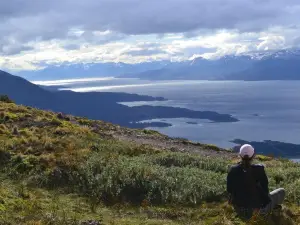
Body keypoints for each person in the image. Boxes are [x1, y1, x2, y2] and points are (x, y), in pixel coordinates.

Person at [227, 144, 285, 220]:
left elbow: (229, 190)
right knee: (281, 191)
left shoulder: (233, 170)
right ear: (253, 155)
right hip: (256, 212)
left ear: (240, 155)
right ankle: (272, 214)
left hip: (239, 210)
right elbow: (265, 191)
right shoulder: (259, 170)